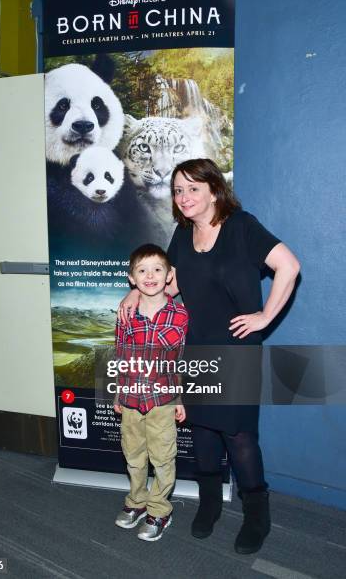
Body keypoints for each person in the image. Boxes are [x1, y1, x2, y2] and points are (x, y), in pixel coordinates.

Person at [118, 159, 300, 554]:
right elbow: (168, 281)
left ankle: (257, 515)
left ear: (214, 190)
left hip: (236, 348)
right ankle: (210, 505)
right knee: (201, 431)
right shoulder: (183, 235)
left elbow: (289, 266)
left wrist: (265, 316)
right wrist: (135, 291)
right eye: (178, 190)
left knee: (238, 436)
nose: (184, 197)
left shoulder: (242, 227)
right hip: (196, 345)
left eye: (193, 188)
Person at [114, 243, 189, 542]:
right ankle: (137, 501)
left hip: (163, 399)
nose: (150, 275)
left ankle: (159, 509)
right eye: (142, 270)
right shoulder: (125, 314)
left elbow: (180, 360)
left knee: (162, 457)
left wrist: (180, 398)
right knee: (133, 456)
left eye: (157, 269)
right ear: (131, 278)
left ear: (169, 275)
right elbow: (121, 355)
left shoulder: (180, 315)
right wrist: (119, 393)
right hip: (131, 398)